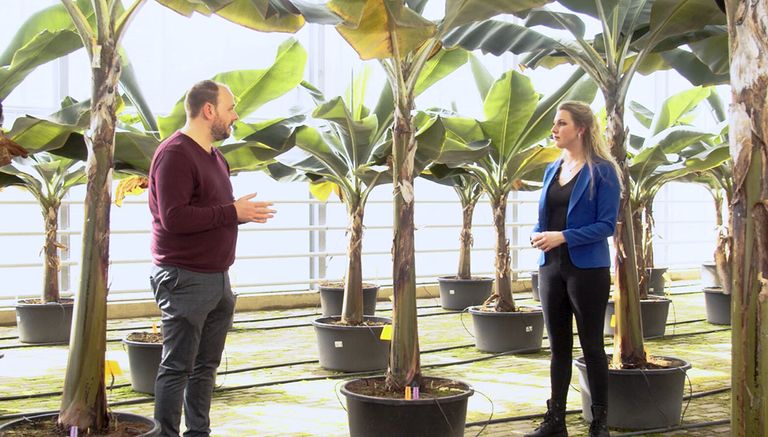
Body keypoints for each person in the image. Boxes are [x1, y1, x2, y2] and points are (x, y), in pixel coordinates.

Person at [148, 80, 276, 437]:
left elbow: (214, 212)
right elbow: (174, 217)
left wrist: (240, 213)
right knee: (177, 368)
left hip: (217, 278)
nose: (235, 116)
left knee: (206, 368)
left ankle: (198, 433)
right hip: (184, 278)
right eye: (230, 108)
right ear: (209, 110)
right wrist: (232, 212)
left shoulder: (216, 157)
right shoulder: (175, 154)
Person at [526, 101, 621, 437]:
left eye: (561, 123)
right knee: (558, 348)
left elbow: (606, 225)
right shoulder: (552, 169)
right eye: (555, 123)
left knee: (592, 346)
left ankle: (599, 422)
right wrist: (539, 234)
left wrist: (563, 236)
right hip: (550, 269)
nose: (554, 129)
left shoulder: (603, 171)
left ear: (580, 129)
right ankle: (556, 421)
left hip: (587, 271)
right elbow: (545, 215)